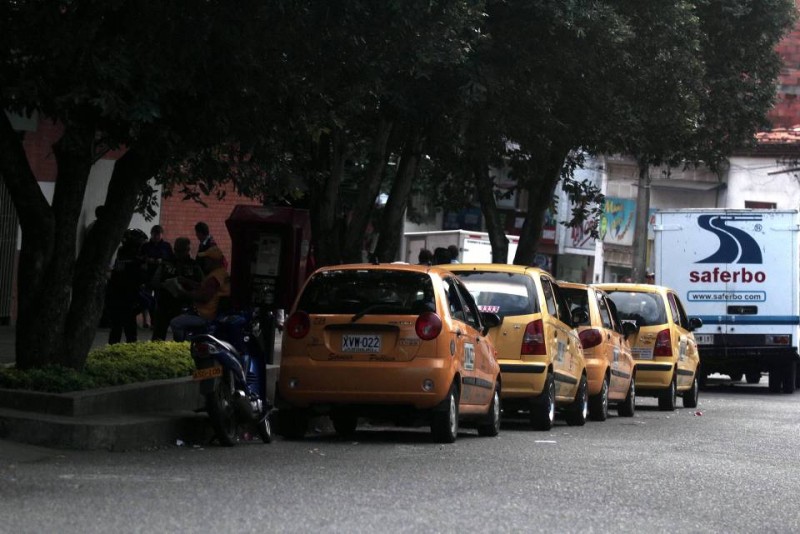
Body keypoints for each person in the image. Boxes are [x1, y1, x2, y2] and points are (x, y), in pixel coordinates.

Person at [170, 246, 231, 341]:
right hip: (209, 313)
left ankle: (182, 347)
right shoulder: (221, 273)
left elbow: (204, 297)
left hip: (205, 316)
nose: (204, 261)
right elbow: (204, 287)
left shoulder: (214, 278)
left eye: (206, 259)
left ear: (213, 261)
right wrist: (188, 281)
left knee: (176, 323)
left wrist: (183, 293)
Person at [150, 237, 204, 341]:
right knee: (158, 337)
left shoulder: (194, 265)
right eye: (177, 251)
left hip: (184, 305)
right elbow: (154, 282)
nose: (179, 254)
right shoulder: (166, 263)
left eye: (183, 251)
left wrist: (186, 281)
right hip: (164, 304)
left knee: (181, 338)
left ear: (188, 250)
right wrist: (166, 284)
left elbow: (202, 285)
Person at [107, 228, 147, 344]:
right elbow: (139, 276)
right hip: (126, 294)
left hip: (121, 294)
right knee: (127, 327)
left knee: (119, 327)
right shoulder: (132, 255)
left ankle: (115, 350)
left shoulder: (124, 253)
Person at [139, 225, 174, 329]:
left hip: (160, 276)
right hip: (148, 275)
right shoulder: (146, 246)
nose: (156, 236)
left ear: (161, 234)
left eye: (158, 234)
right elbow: (140, 257)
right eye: (154, 234)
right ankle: (146, 320)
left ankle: (156, 322)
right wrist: (147, 259)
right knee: (146, 298)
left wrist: (162, 261)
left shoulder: (166, 246)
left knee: (159, 300)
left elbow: (171, 259)